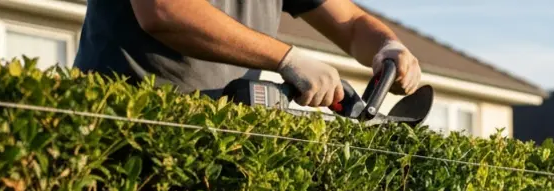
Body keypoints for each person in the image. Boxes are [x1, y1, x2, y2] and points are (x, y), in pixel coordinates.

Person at [74, 0, 423, 105]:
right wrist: (287, 59)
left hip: (227, 143)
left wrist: (387, 45)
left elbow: (350, 22)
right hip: (127, 131)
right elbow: (163, 10)